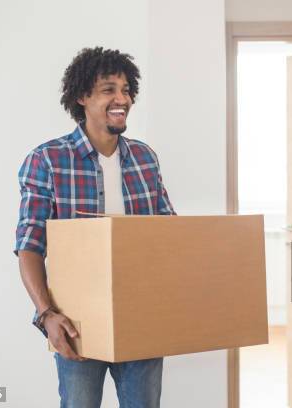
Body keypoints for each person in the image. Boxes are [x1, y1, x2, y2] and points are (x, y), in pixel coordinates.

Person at [14, 47, 175, 408]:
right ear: (82, 97)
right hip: (78, 324)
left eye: (126, 89)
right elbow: (29, 245)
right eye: (108, 90)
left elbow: (168, 235)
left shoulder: (145, 158)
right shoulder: (48, 160)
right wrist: (46, 314)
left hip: (142, 316)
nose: (122, 99)